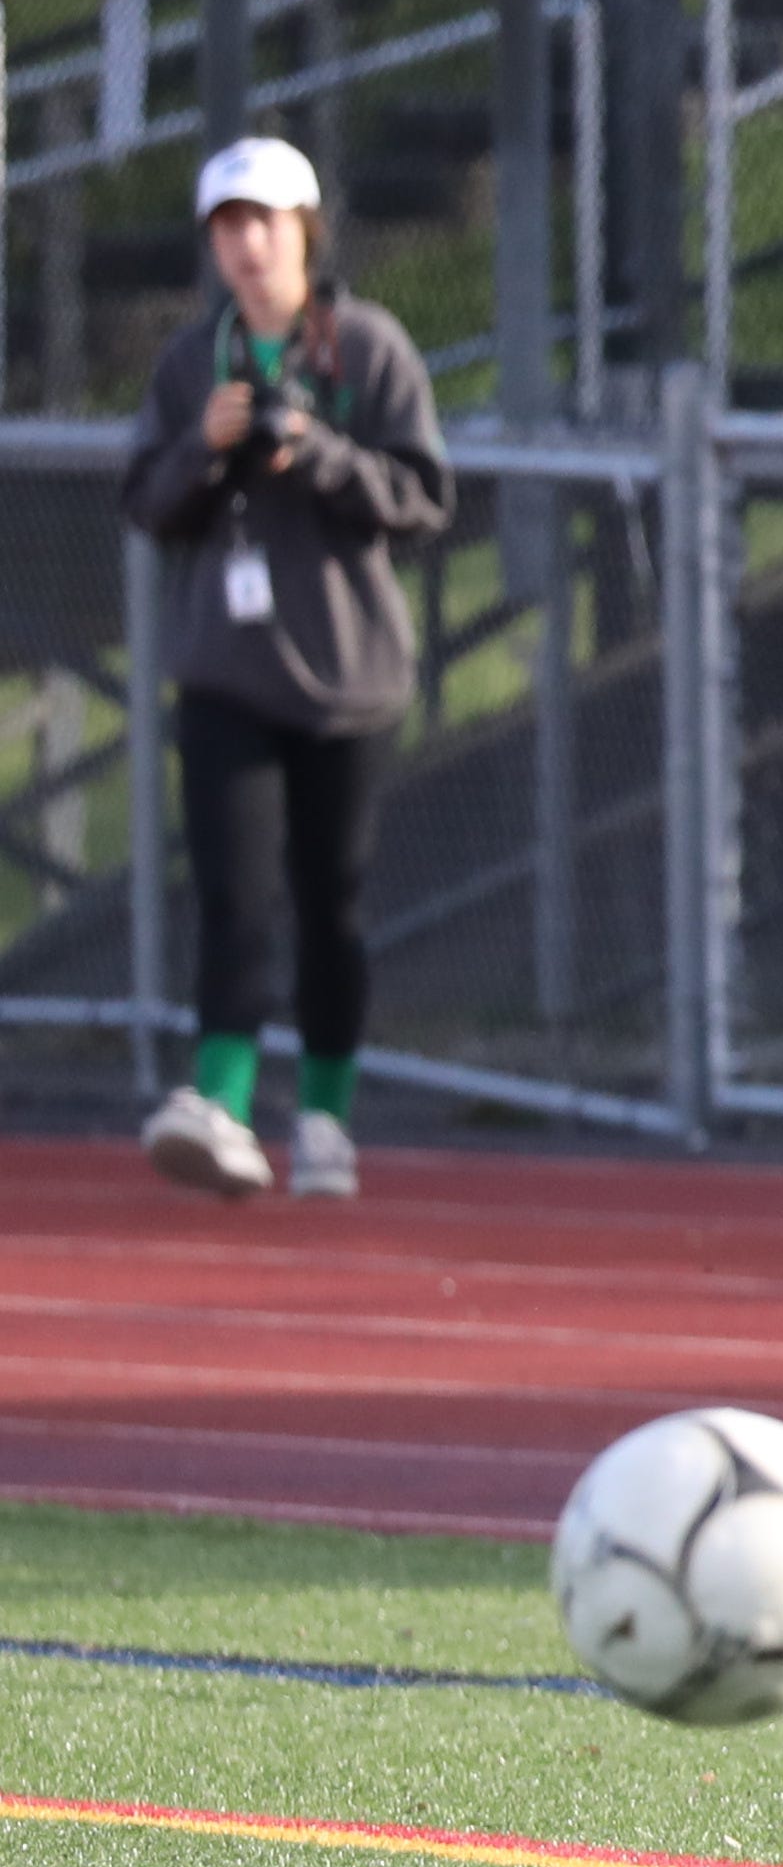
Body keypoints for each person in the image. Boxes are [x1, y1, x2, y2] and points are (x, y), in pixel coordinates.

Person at [119, 136, 451, 1202]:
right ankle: (215, 1102)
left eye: (264, 222)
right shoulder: (190, 363)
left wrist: (319, 453)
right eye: (227, 226)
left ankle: (324, 1116)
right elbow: (147, 505)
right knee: (232, 891)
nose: (247, 245)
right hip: (227, 671)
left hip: (349, 679)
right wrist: (204, 451)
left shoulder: (370, 347)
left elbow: (422, 498)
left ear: (305, 229)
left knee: (331, 900)